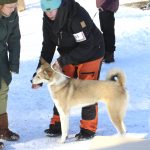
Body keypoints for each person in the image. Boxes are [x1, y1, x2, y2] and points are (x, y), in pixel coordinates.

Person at [32, 0, 105, 140]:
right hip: (68, 54)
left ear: (59, 6)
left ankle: (88, 129)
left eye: (52, 10)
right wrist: (38, 75)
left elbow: (86, 46)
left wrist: (62, 61)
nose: (49, 14)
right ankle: (58, 124)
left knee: (87, 90)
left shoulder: (76, 16)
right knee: (60, 87)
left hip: (92, 52)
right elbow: (48, 46)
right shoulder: (48, 19)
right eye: (46, 11)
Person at [0, 0, 20, 141]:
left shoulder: (13, 15)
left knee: (3, 88)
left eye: (15, 6)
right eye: (10, 7)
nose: (13, 10)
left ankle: (2, 129)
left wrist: (13, 64)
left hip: (1, 56)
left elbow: (14, 39)